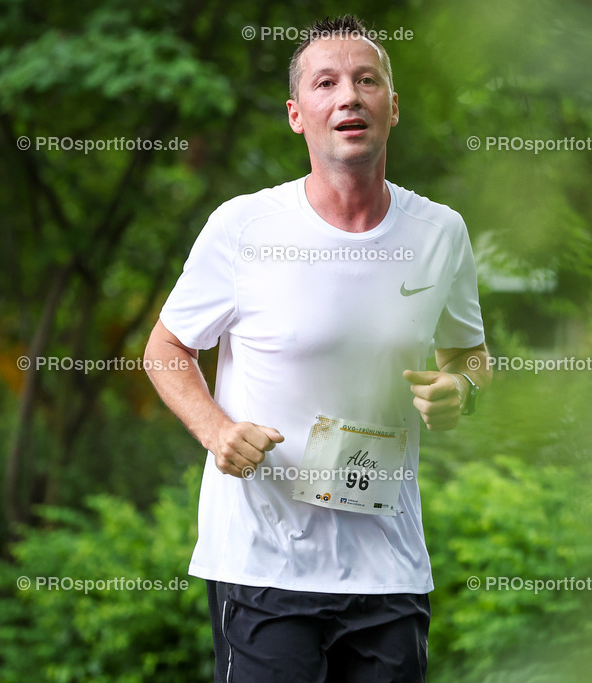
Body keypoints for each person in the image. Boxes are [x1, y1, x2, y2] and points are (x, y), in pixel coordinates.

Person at [144, 14, 490, 682]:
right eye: (326, 83)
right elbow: (165, 347)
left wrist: (463, 390)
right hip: (264, 560)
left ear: (394, 106)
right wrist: (217, 430)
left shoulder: (440, 232)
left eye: (367, 80)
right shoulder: (244, 226)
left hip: (389, 565)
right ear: (298, 115)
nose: (349, 96)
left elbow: (470, 356)